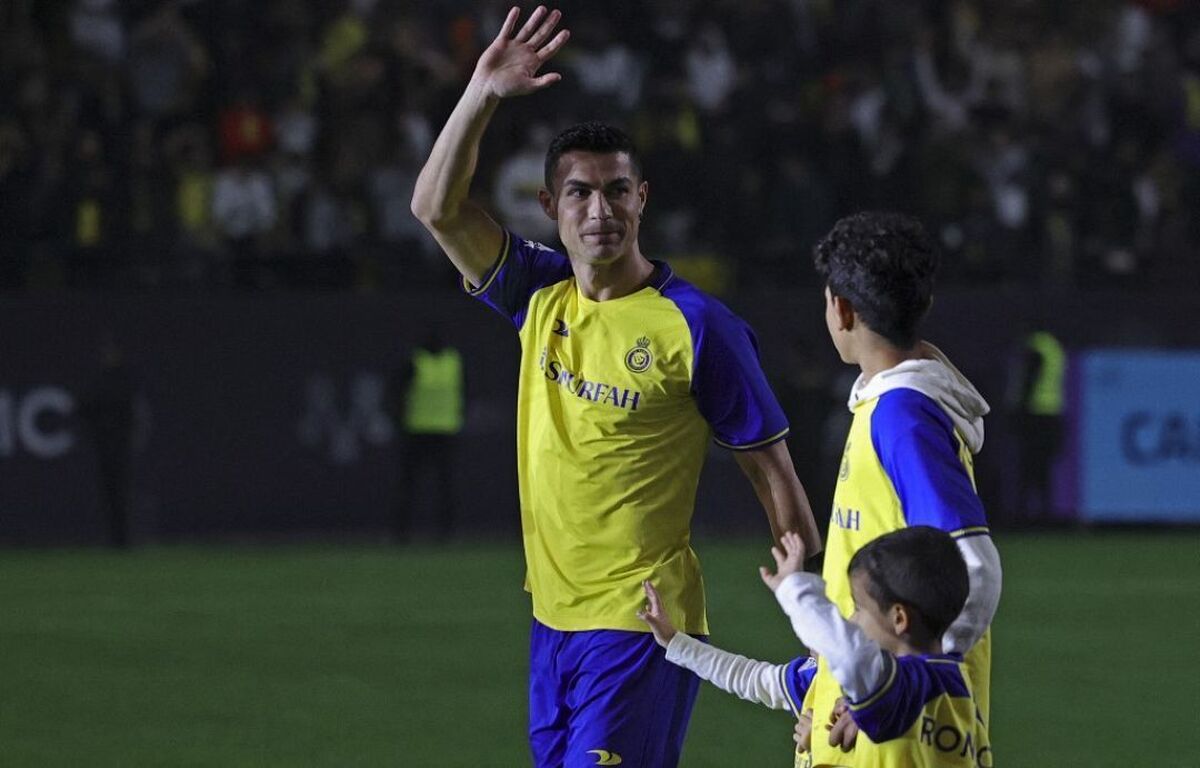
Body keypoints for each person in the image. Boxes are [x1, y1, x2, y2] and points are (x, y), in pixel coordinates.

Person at [410, 7, 822, 766]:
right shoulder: (537, 293)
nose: (599, 211)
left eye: (616, 190)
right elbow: (434, 208)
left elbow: (771, 471)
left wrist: (819, 624)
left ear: (642, 199)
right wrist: (481, 93)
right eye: (579, 193)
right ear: (549, 207)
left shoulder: (698, 327)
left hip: (642, 625)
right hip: (552, 621)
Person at [805, 212, 1002, 767]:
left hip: (900, 730)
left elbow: (975, 565)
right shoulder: (885, 403)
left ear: (842, 309)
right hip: (864, 707)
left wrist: (901, 687)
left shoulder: (902, 416)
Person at [764, 528, 992, 766]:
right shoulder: (953, 684)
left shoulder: (902, 693)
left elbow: (850, 656)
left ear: (899, 619)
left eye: (859, 608)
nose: (852, 619)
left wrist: (794, 590)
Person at [637, 579, 824, 768]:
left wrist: (825, 745)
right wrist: (673, 641)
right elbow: (748, 677)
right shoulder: (812, 676)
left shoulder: (838, 688)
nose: (805, 632)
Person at [386, 325, 465, 542]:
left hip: (427, 430)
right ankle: (412, 532)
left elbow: (397, 393)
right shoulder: (449, 361)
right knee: (426, 486)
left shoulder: (419, 361)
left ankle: (431, 532)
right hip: (430, 430)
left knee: (431, 486)